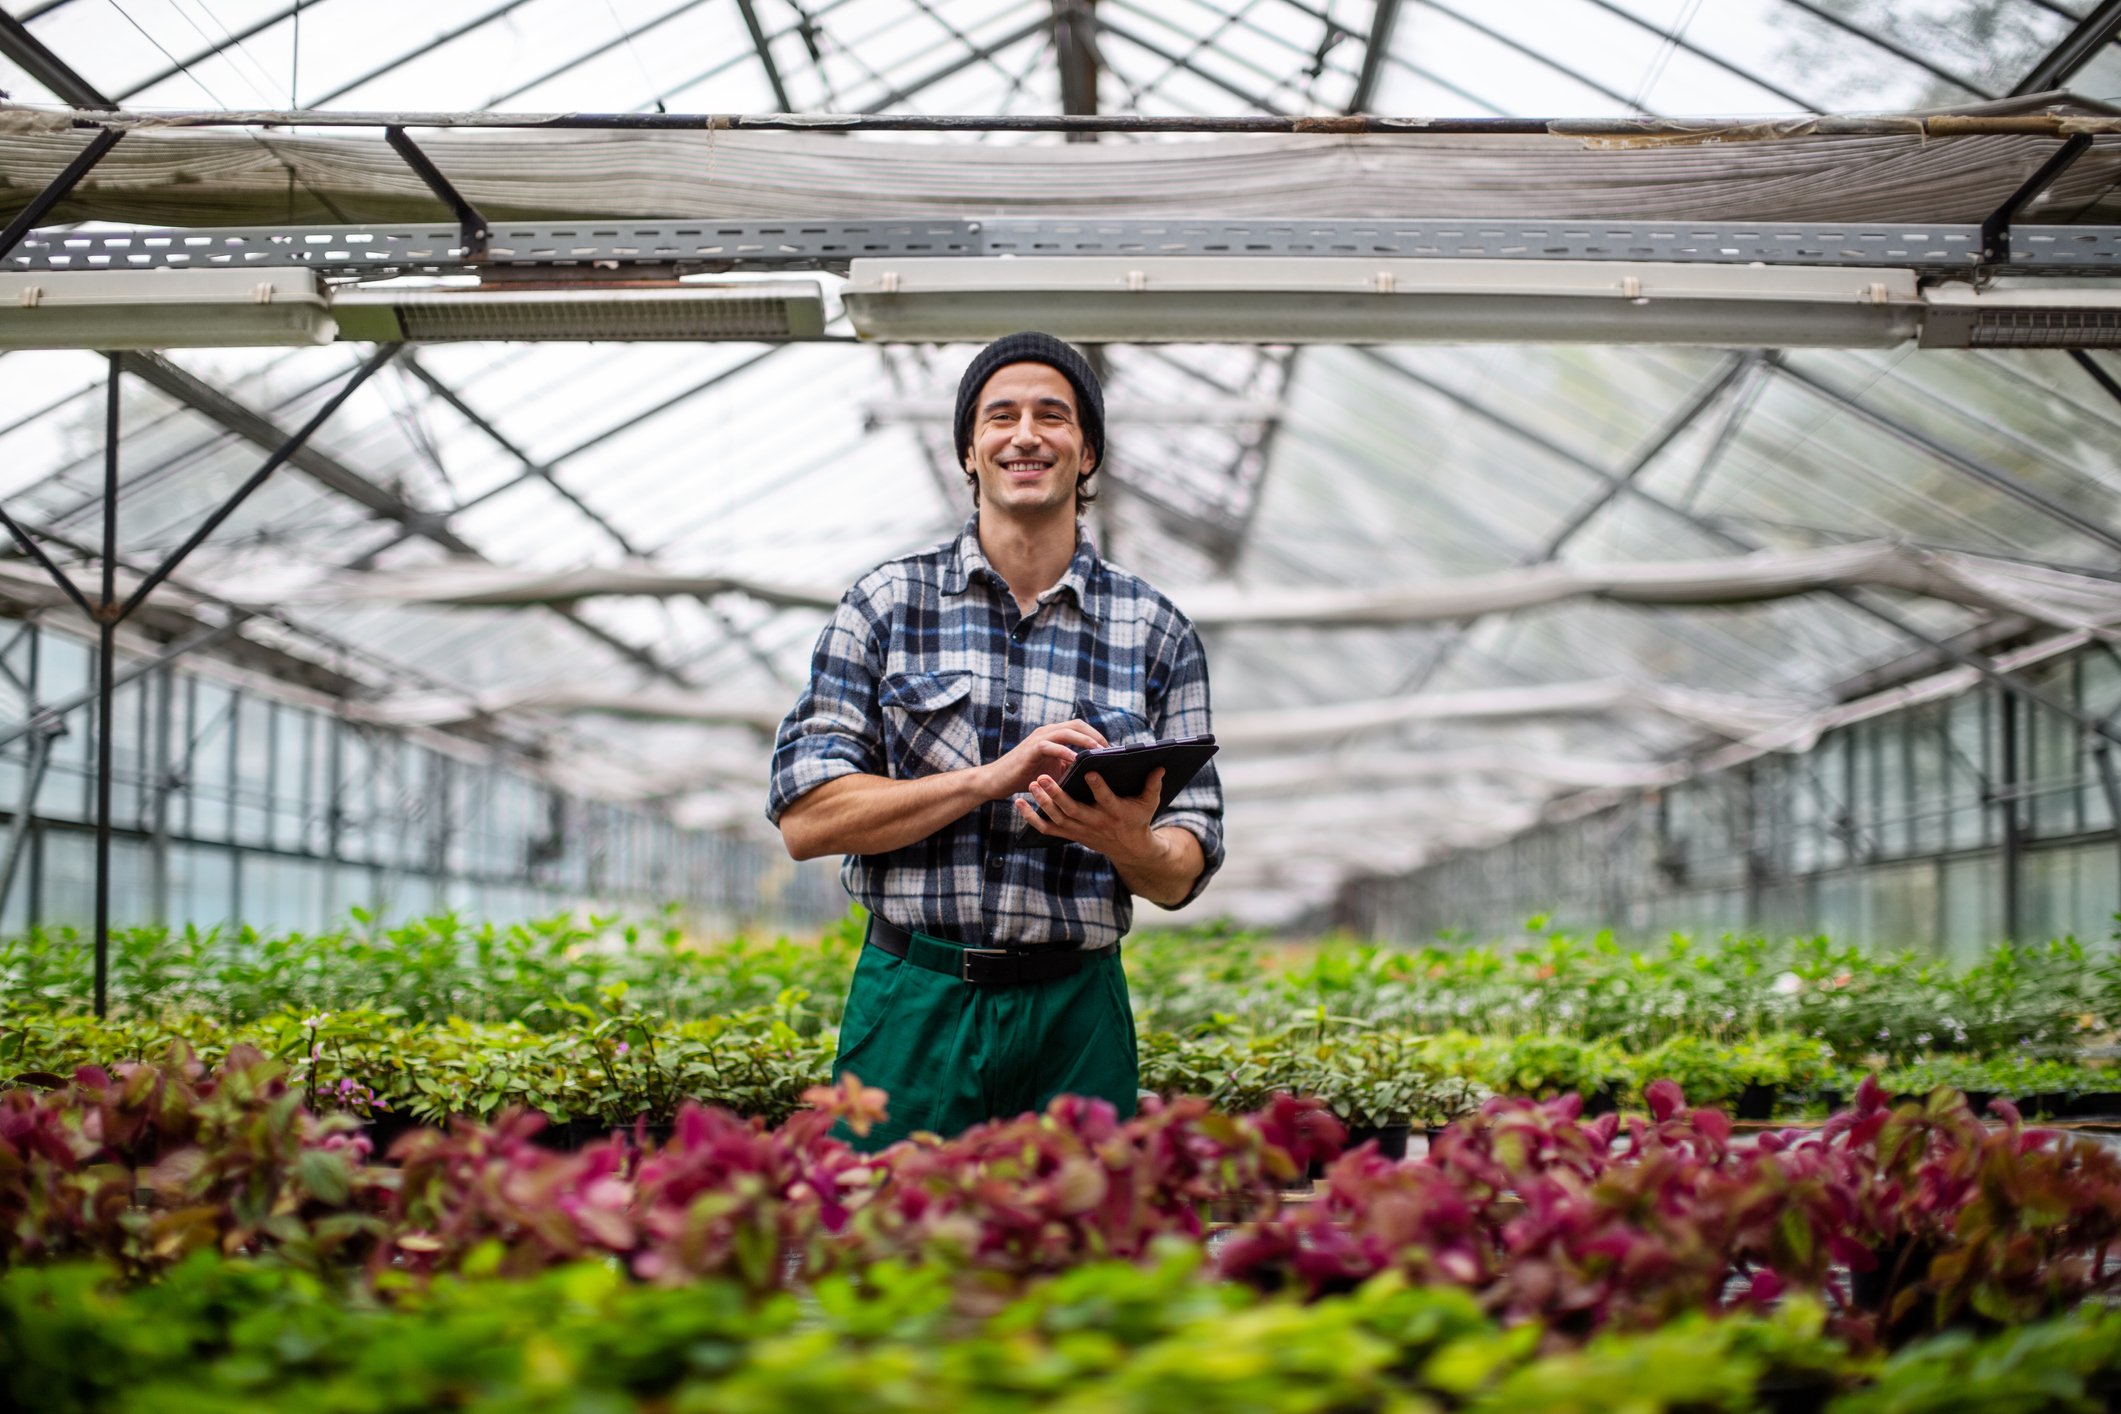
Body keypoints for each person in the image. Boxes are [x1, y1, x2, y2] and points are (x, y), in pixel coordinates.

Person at [767, 331, 1224, 1150]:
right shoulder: (885, 605)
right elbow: (808, 819)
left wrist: (1129, 844)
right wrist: (988, 779)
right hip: (913, 997)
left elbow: (1184, 866)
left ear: (1086, 454)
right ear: (969, 451)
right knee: (889, 1255)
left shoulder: (1156, 631)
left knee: (1081, 1258)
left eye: (1053, 416)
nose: (1025, 434)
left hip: (1075, 1011)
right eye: (999, 415)